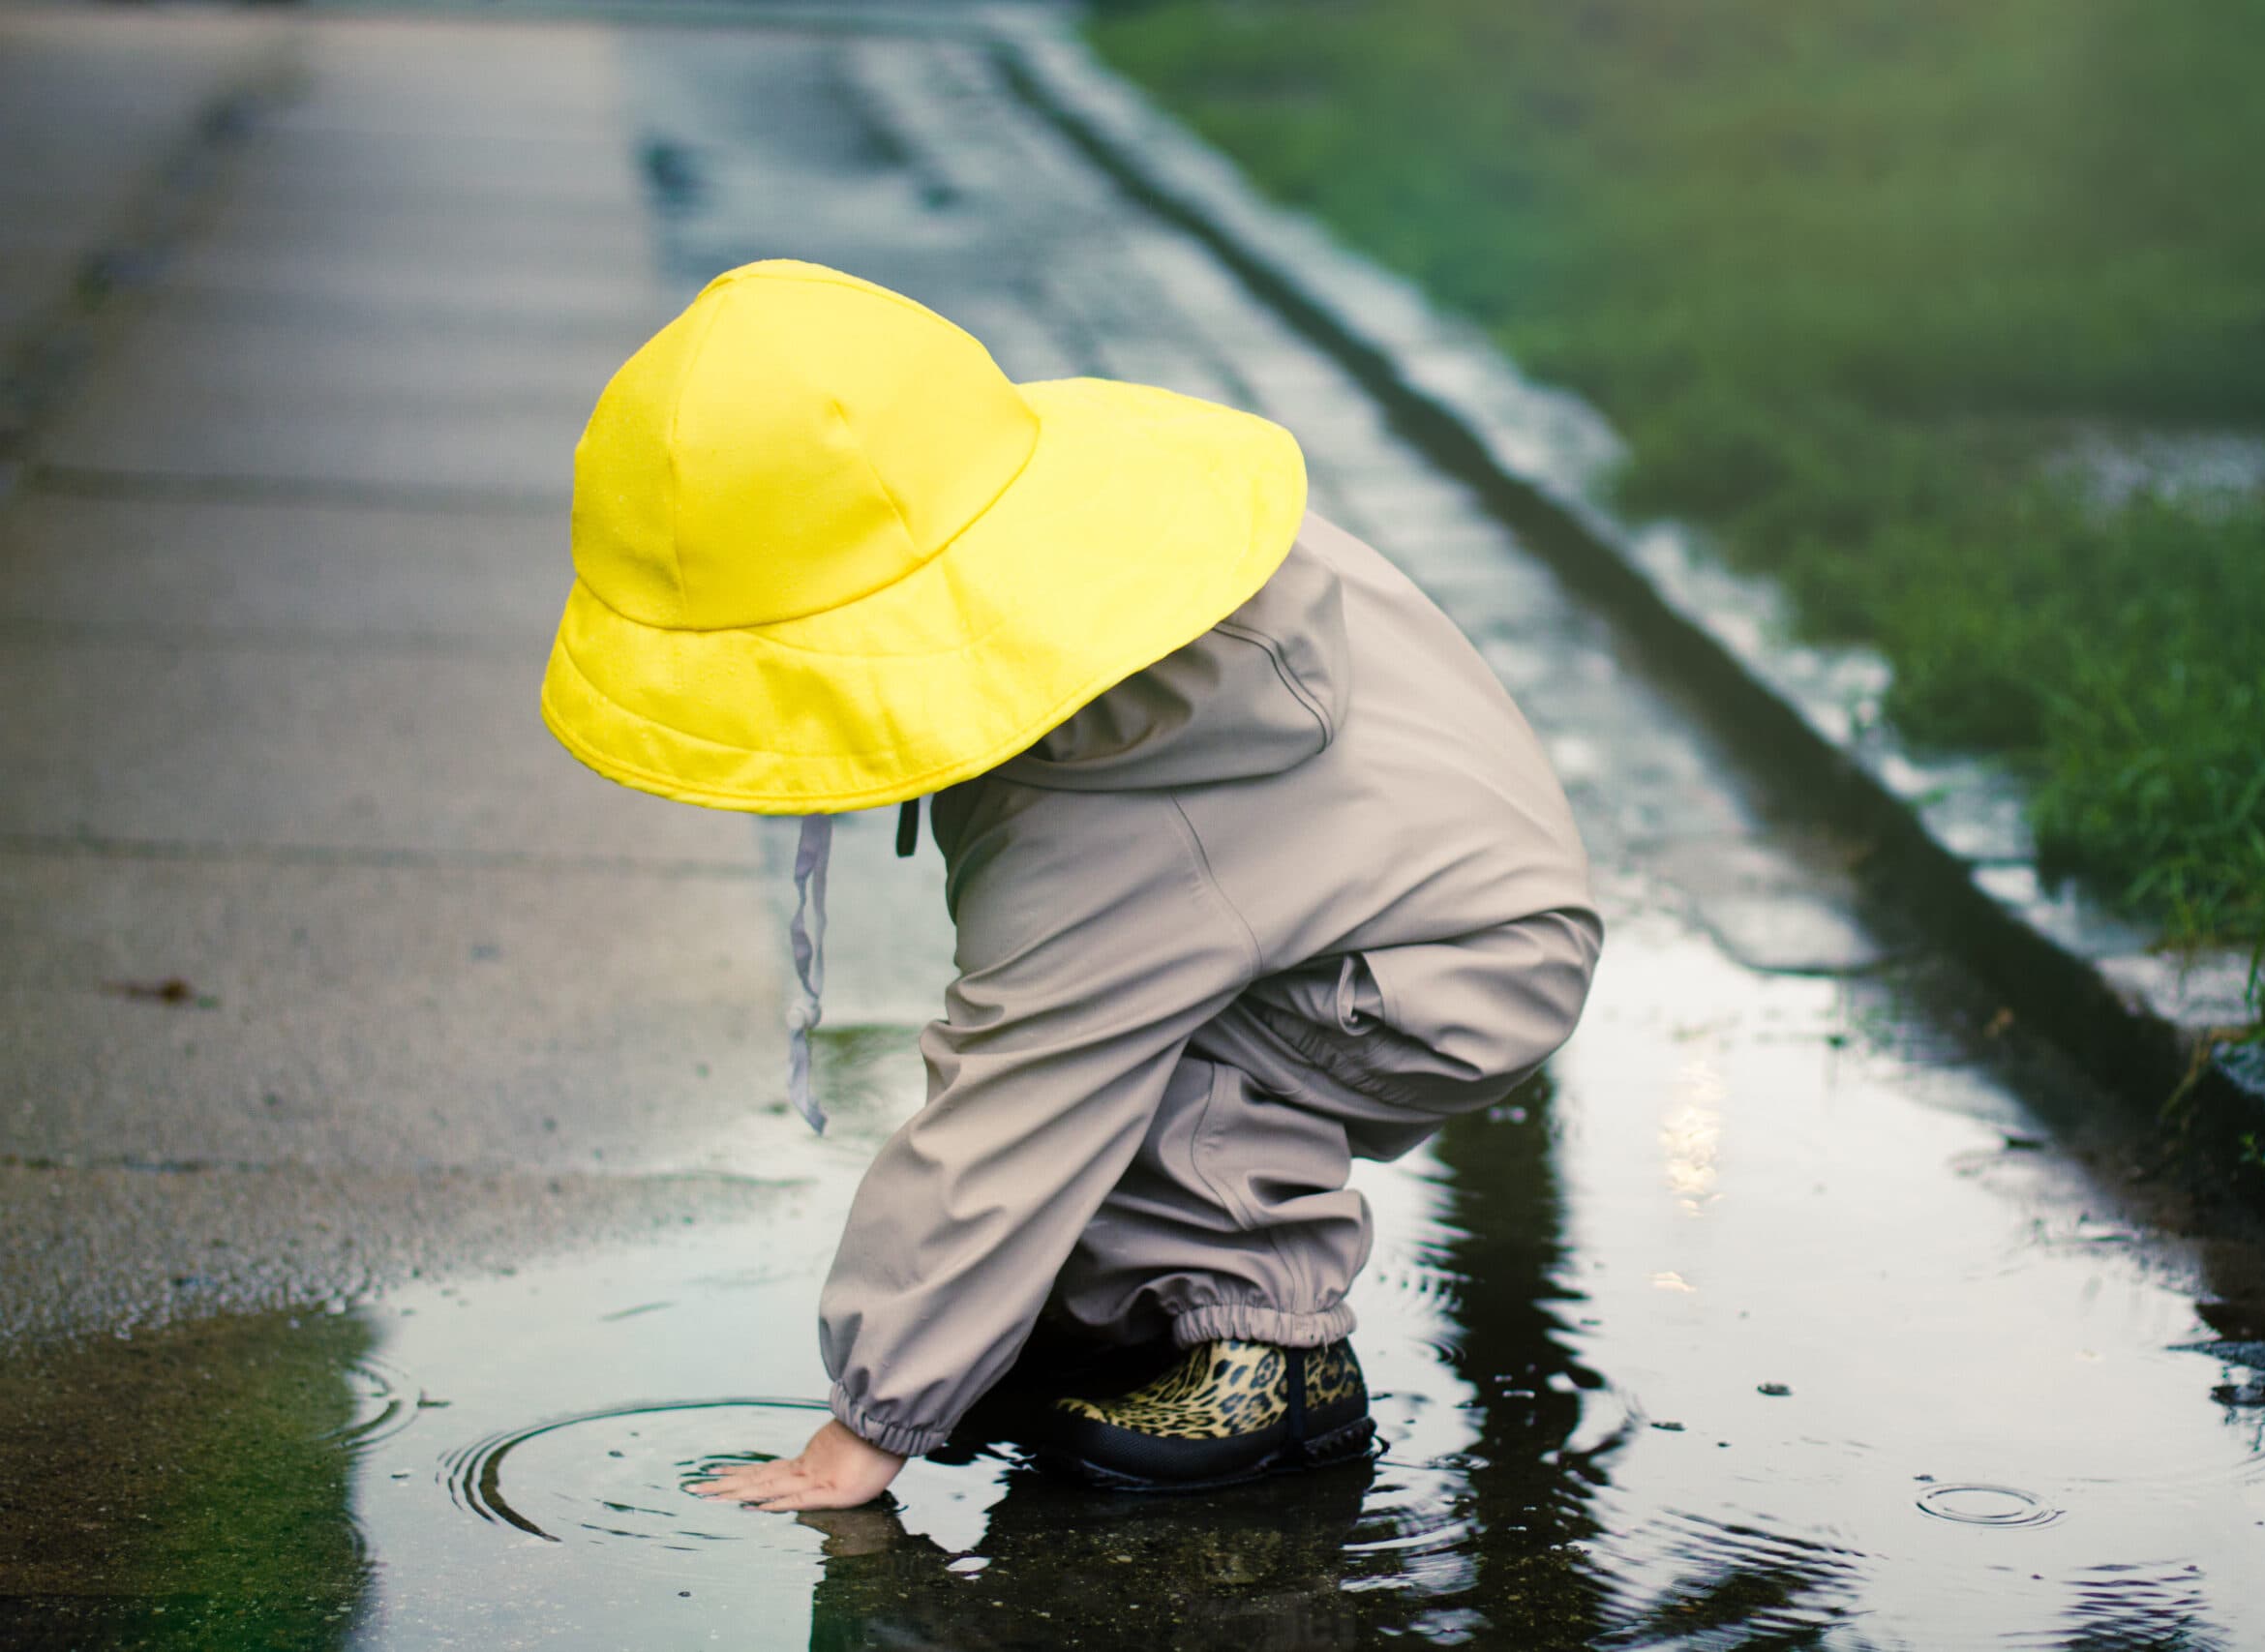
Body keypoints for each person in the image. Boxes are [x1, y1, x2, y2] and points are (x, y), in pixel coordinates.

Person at [541, 259, 1599, 1509]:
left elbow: (1016, 1098)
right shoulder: (1099, 547)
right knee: (1122, 1023)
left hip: (1445, 967)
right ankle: (1102, 1320)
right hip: (1423, 890)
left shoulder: (1116, 793)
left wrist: (870, 1424)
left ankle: (1267, 1352)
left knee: (1124, 1053)